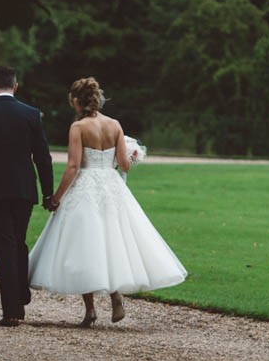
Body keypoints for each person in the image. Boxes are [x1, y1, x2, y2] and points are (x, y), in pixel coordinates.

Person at [28, 77, 187, 327]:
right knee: (112, 240)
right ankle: (116, 297)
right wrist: (132, 155)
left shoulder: (78, 128)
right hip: (112, 188)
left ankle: (90, 309)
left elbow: (72, 166)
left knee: (85, 245)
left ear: (78, 101)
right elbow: (124, 165)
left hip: (85, 186)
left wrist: (56, 197)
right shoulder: (115, 125)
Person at [0, 65, 55, 327]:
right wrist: (47, 191)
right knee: (17, 241)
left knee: (3, 246)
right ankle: (20, 291)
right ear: (15, 87)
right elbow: (43, 156)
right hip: (23, 188)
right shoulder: (30, 114)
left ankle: (12, 310)